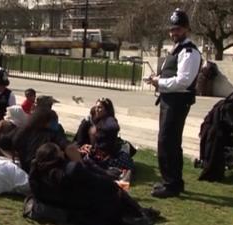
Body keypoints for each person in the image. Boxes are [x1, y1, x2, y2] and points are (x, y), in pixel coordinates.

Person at [29, 143, 160, 225]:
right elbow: (102, 182)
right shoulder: (71, 169)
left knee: (112, 190)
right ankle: (140, 213)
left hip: (67, 209)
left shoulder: (36, 174)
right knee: (115, 190)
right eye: (60, 151)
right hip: (85, 211)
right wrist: (79, 161)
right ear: (57, 156)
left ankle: (141, 212)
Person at [145, 9, 202, 198]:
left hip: (178, 102)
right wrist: (157, 78)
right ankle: (171, 181)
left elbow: (183, 81)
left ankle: (172, 184)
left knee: (167, 141)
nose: (173, 33)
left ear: (186, 29)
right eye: (171, 29)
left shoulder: (189, 52)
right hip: (169, 100)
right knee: (169, 142)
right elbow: (171, 73)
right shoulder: (176, 50)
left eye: (177, 29)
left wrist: (159, 82)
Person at [81, 98, 134, 171]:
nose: (97, 109)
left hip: (107, 156)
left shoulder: (109, 120)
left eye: (100, 107)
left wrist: (98, 129)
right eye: (96, 107)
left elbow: (114, 127)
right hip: (97, 152)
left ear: (106, 110)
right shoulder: (97, 120)